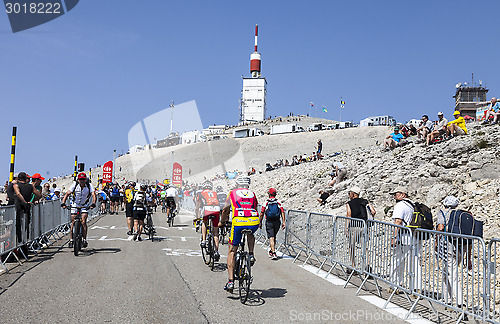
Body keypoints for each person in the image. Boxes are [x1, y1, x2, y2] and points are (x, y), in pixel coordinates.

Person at [219, 175, 259, 292]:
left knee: (232, 251)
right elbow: (255, 207)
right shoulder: (252, 194)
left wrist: (222, 221)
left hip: (238, 221)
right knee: (251, 233)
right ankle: (251, 254)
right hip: (253, 221)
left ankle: (231, 282)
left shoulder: (232, 193)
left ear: (236, 184)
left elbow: (226, 209)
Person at [436, 195, 472, 307]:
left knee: (452, 275)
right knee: (447, 273)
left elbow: (440, 227)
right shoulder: (462, 215)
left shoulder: (443, 213)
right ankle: (448, 300)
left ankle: (460, 302)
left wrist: (436, 242)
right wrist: (469, 259)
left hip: (449, 247)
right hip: (462, 248)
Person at [388, 186, 422, 293]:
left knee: (397, 261)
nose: (394, 197)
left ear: (403, 195)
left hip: (403, 238)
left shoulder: (400, 205)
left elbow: (398, 221)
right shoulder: (412, 205)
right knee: (415, 262)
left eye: (396, 194)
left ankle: (395, 285)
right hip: (415, 238)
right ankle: (416, 287)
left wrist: (394, 237)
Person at [61, 172, 97, 249]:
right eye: (80, 179)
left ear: (85, 179)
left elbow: (94, 194)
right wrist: (63, 202)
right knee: (73, 221)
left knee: (83, 221)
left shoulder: (89, 185)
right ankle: (71, 239)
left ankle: (84, 239)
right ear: (78, 180)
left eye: (83, 179)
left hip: (84, 205)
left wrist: (93, 203)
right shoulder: (75, 185)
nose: (82, 181)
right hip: (75, 204)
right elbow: (67, 194)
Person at [346, 186, 375, 270]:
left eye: (349, 193)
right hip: (364, 226)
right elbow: (373, 211)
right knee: (364, 247)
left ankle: (353, 265)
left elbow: (348, 215)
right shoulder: (365, 201)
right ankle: (367, 265)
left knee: (352, 246)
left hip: (354, 227)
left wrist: (346, 228)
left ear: (353, 194)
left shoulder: (349, 203)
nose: (349, 195)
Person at [13, 172, 41, 246]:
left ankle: (19, 243)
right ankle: (25, 242)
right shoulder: (30, 186)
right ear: (25, 178)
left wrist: (24, 202)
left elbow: (18, 194)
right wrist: (33, 200)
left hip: (19, 206)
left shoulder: (16, 185)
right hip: (27, 206)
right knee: (27, 225)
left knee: (18, 225)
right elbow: (39, 195)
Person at [196, 182, 221, 261]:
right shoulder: (215, 193)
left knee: (204, 222)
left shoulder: (201, 193)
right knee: (216, 232)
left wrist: (197, 216)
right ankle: (216, 251)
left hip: (207, 208)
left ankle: (203, 240)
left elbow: (198, 206)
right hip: (216, 209)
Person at [259, 188, 285, 260]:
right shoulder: (278, 202)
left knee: (271, 237)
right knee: (274, 236)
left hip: (269, 221)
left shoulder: (266, 202)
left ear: (269, 194)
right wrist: (283, 222)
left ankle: (273, 252)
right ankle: (272, 250)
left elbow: (262, 212)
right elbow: (282, 211)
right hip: (277, 221)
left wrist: (260, 222)